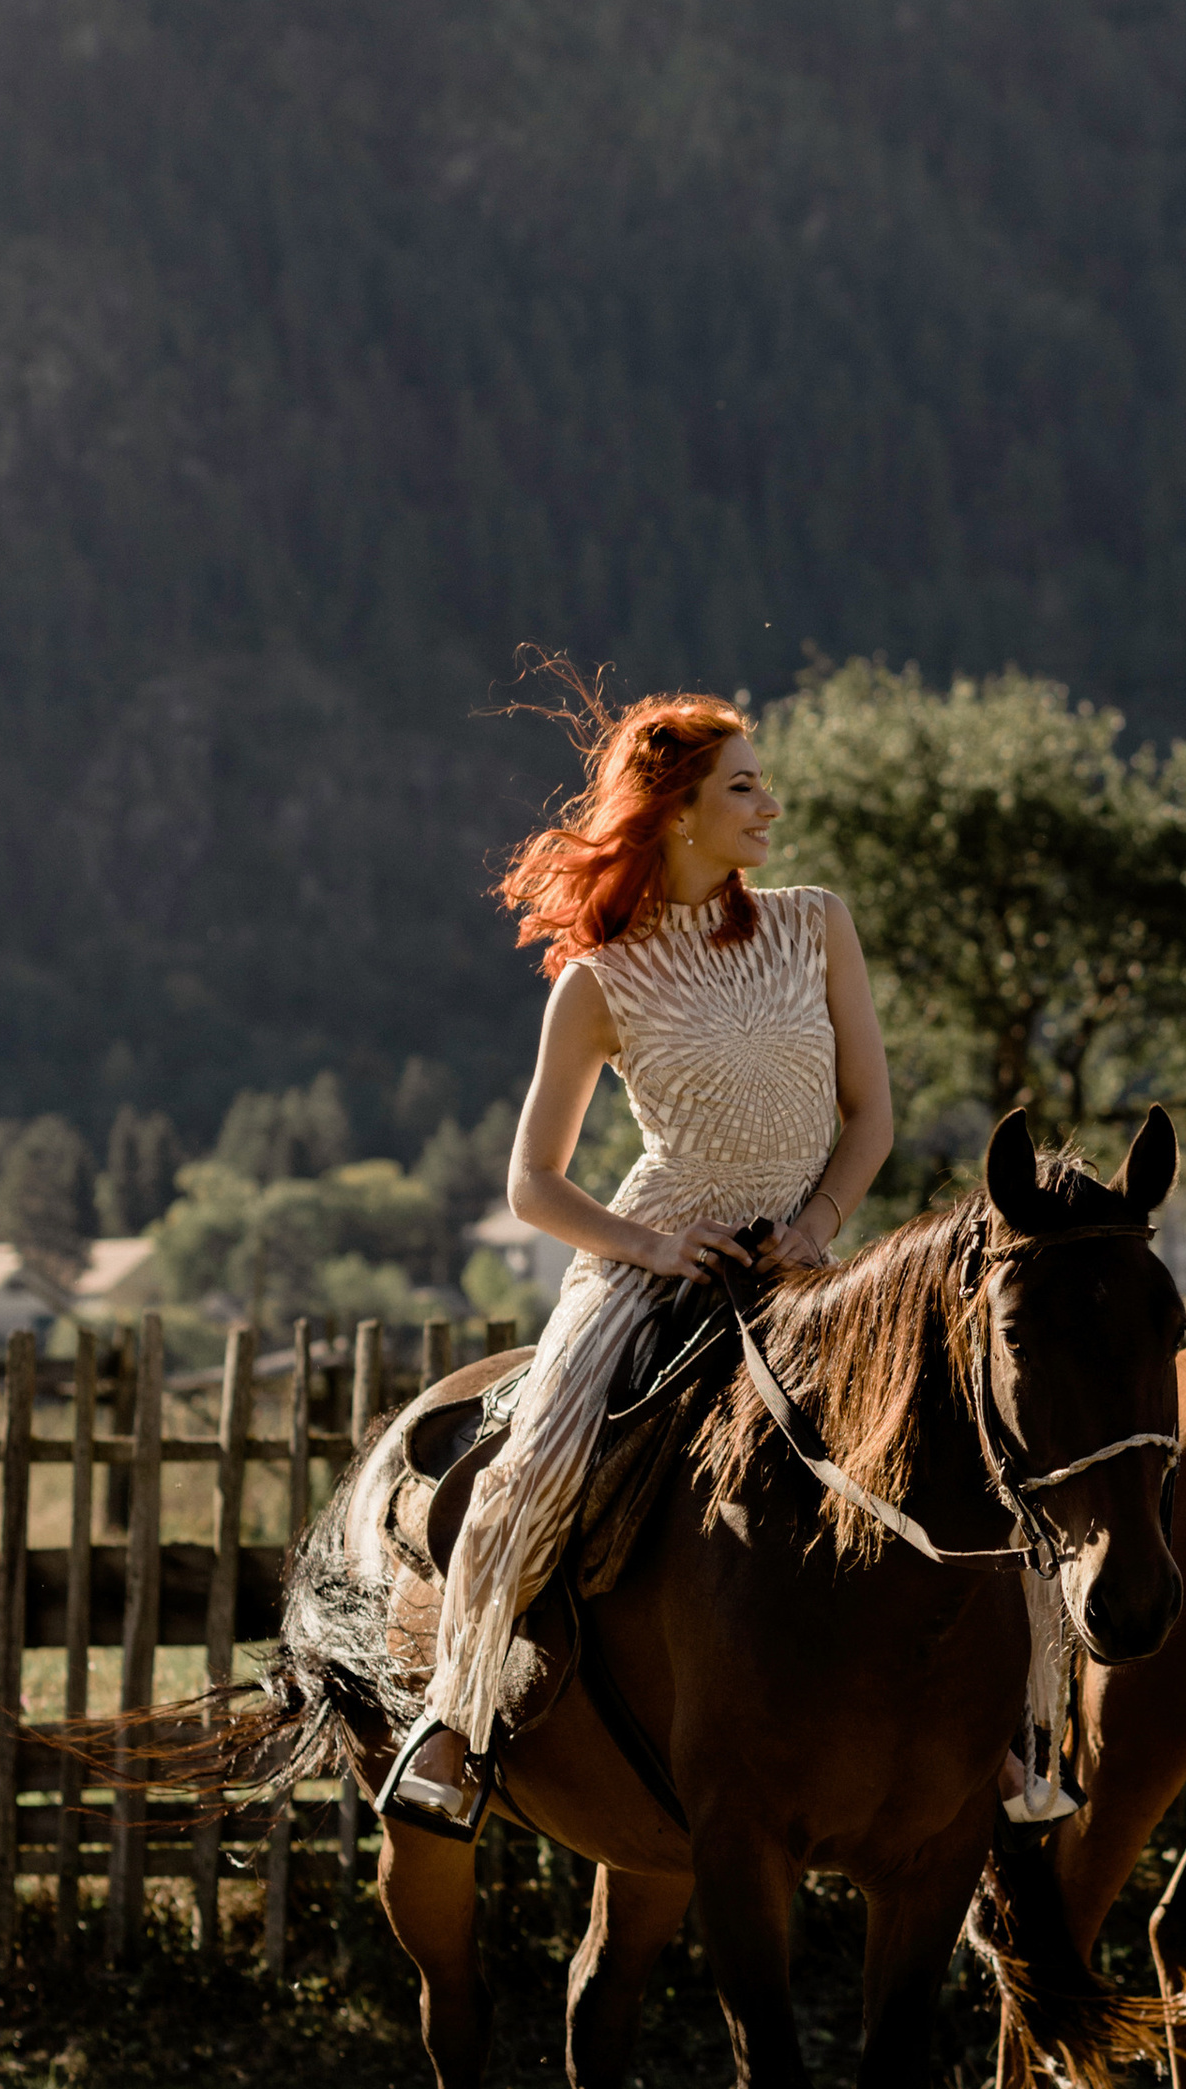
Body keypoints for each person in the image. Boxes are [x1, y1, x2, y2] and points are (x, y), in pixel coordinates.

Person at [380, 691, 892, 1835]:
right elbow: (534, 1185)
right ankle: (456, 1731)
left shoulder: (817, 924)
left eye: (762, 780)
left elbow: (872, 1119)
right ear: (675, 815)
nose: (771, 802)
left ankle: (1010, 1734)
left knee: (966, 1433)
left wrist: (815, 1226)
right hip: (647, 1264)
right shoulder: (598, 983)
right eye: (743, 786)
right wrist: (659, 1247)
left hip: (806, 1259)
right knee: (530, 1469)